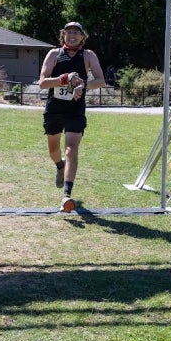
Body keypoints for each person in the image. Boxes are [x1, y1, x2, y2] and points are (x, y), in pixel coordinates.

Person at [38, 21, 105, 212]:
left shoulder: (89, 55)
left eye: (76, 33)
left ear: (83, 36)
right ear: (63, 35)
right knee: (54, 151)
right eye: (69, 33)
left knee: (71, 149)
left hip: (75, 109)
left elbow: (100, 81)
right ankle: (60, 166)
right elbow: (42, 82)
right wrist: (64, 79)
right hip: (54, 109)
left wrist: (82, 84)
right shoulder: (54, 54)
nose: (72, 36)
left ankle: (66, 195)